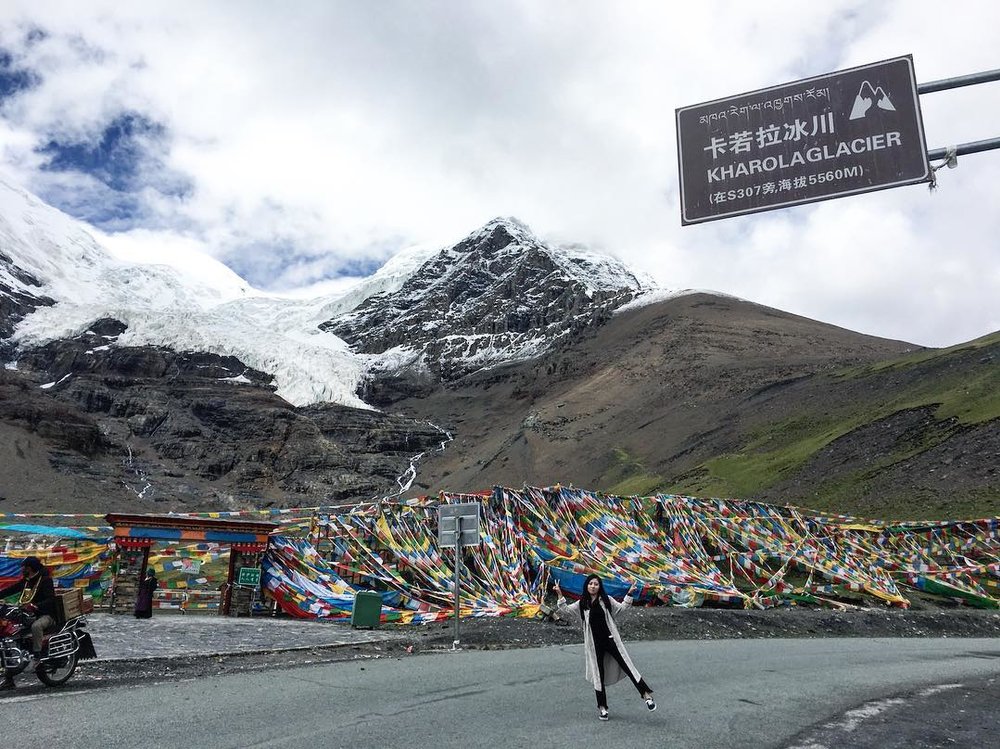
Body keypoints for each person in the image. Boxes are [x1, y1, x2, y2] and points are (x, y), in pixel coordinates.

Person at [555, 573, 656, 721]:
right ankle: (602, 708)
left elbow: (622, 609)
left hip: (611, 640)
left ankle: (646, 695)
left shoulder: (607, 600)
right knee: (598, 675)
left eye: (596, 584)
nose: (593, 586)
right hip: (594, 645)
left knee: (628, 666)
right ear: (587, 586)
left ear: (599, 586)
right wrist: (559, 594)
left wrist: (629, 594)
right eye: (590, 584)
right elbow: (566, 610)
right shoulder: (582, 603)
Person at [0, 556, 57, 691]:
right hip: (26, 614)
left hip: (45, 615)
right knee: (10, 632)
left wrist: (35, 606)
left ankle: (37, 655)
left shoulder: (46, 581)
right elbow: (11, 590)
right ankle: (9, 678)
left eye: (24, 567)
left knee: (36, 626)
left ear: (30, 568)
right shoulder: (26, 581)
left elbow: (51, 600)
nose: (22, 569)